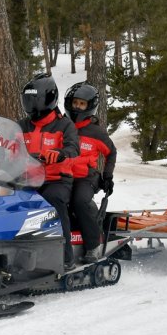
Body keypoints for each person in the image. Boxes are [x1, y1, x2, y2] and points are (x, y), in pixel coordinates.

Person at [18, 74, 79, 270]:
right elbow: (7, 144)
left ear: (48, 98)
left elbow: (73, 148)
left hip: (56, 179)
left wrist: (59, 154)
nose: (31, 105)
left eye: (34, 100)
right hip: (27, 179)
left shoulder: (64, 124)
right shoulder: (22, 125)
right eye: (28, 100)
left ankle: (65, 255)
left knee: (54, 201)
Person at [64, 82, 117, 264]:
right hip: (62, 175)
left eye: (82, 104)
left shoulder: (96, 132)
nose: (77, 107)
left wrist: (107, 175)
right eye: (75, 103)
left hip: (86, 177)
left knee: (79, 200)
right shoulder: (62, 126)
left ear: (90, 107)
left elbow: (111, 152)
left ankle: (93, 244)